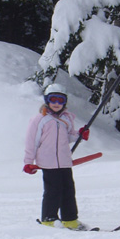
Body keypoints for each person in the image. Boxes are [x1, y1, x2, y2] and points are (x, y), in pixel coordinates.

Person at [23, 83, 90, 230]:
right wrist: (29, 162)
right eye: (53, 99)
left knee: (68, 191)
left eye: (60, 100)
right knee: (53, 191)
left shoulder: (66, 118)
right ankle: (49, 219)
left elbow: (69, 136)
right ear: (47, 100)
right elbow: (31, 141)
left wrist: (80, 134)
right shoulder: (40, 119)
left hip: (65, 162)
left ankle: (70, 220)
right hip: (48, 162)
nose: (56, 103)